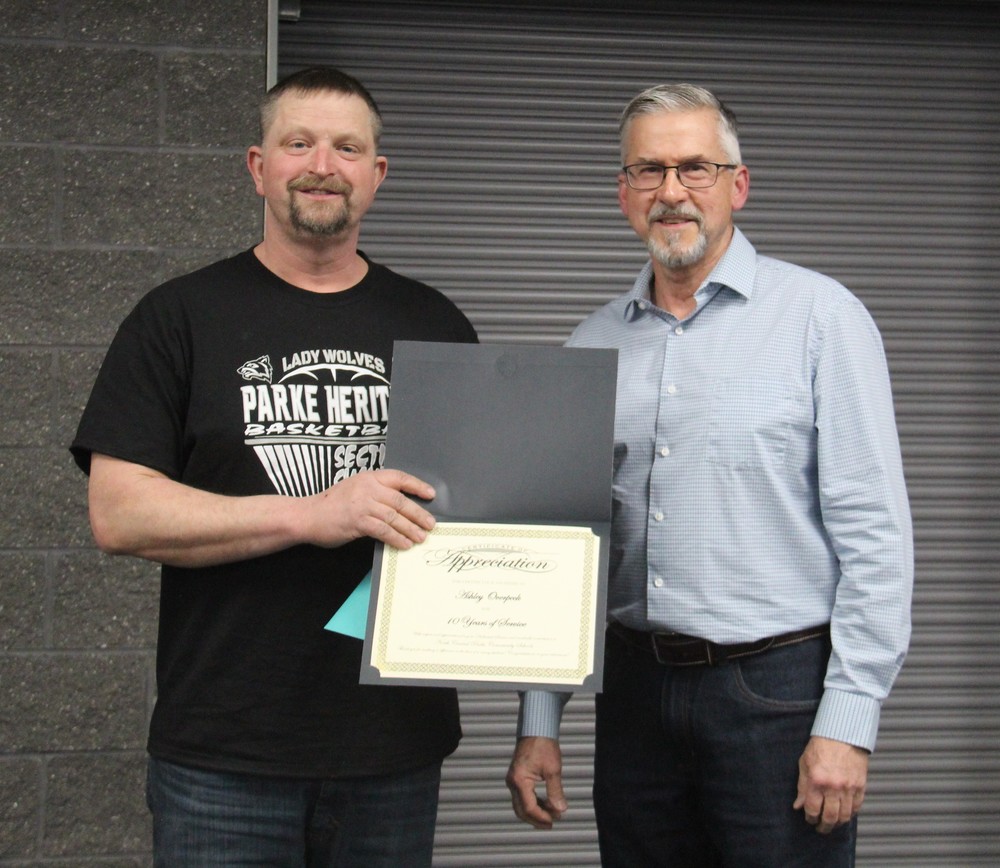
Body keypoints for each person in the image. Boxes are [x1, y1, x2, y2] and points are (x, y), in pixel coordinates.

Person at [71, 66, 477, 866]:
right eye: (299, 143)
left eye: (347, 147)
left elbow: (486, 514)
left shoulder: (436, 325)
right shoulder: (177, 317)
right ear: (259, 165)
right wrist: (313, 513)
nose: (322, 164)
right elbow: (118, 513)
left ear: (376, 174)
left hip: (392, 751)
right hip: (224, 755)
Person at [506, 83, 913, 867]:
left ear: (739, 184)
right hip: (632, 696)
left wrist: (847, 722)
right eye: (649, 171)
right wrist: (539, 722)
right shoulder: (590, 345)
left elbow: (876, 537)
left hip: (777, 695)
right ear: (623, 192)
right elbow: (563, 545)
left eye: (696, 168)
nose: (671, 193)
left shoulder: (822, 319)